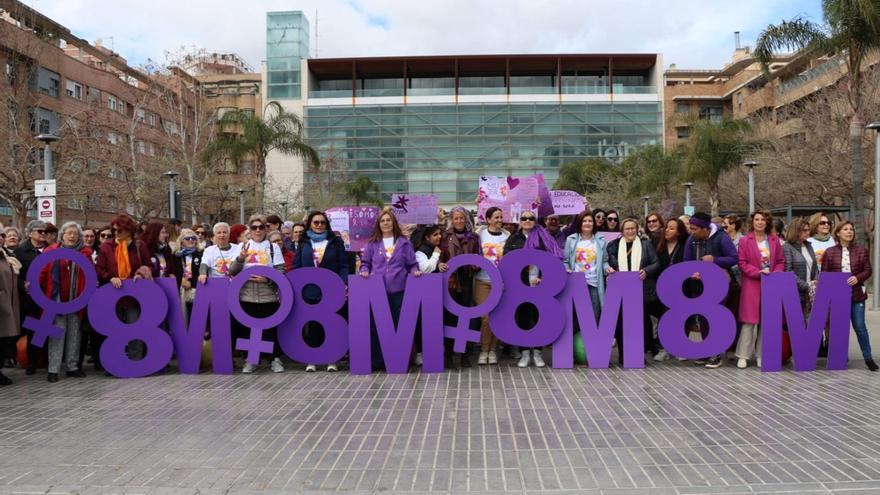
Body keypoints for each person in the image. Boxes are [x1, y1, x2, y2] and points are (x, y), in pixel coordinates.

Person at [359, 211, 421, 371]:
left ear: (393, 223)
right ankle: (379, 361)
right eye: (382, 221)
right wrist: (364, 270)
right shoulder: (372, 244)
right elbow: (365, 263)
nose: (386, 223)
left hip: (399, 291)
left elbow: (412, 264)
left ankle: (400, 359)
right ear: (379, 224)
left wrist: (415, 271)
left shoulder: (404, 243)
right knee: (376, 327)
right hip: (378, 292)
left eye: (388, 220)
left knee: (399, 325)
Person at [503, 210, 564, 368]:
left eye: (531, 218)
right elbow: (507, 258)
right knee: (523, 318)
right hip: (520, 285)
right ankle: (524, 353)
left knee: (539, 318)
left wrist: (544, 278)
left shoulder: (544, 238)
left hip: (540, 285)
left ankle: (537, 352)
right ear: (520, 221)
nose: (527, 220)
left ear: (535, 220)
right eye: (524, 218)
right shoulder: (514, 238)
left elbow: (551, 260)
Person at [229, 214, 287, 374]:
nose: (258, 230)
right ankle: (251, 360)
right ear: (250, 229)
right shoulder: (242, 247)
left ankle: (274, 359)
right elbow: (232, 271)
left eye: (261, 227)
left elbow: (281, 270)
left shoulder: (273, 248)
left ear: (266, 229)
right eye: (254, 227)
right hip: (246, 296)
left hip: (268, 296)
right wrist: (240, 258)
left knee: (270, 330)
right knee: (248, 330)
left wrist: (267, 279)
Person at [95, 213, 154, 366]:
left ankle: (135, 361)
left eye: (119, 231)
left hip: (134, 296)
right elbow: (99, 269)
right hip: (113, 294)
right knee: (115, 330)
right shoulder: (107, 247)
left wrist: (141, 274)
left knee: (135, 328)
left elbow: (149, 265)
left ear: (129, 230)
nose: (115, 234)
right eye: (113, 230)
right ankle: (115, 363)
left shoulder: (139, 246)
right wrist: (110, 278)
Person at [38, 222, 93, 382]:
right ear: (62, 235)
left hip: (77, 300)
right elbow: (41, 272)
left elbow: (90, 274)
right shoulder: (51, 251)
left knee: (75, 334)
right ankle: (53, 369)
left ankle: (72, 366)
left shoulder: (85, 253)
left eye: (75, 233)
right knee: (57, 333)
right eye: (69, 233)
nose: (72, 236)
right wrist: (32, 285)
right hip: (57, 300)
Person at [682, 212, 739, 368]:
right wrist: (692, 272)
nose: (691, 231)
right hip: (698, 285)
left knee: (715, 317)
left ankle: (716, 353)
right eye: (691, 228)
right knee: (703, 317)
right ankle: (707, 351)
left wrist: (715, 260)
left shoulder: (721, 237)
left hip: (718, 284)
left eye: (694, 228)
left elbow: (734, 258)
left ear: (705, 228)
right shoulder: (691, 240)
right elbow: (686, 260)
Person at [295, 211, 349, 372]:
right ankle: (312, 358)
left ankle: (332, 358)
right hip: (309, 291)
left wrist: (343, 282)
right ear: (309, 224)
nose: (319, 225)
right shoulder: (303, 242)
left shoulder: (335, 241)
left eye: (322, 223)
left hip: (331, 290)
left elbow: (343, 265)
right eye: (316, 222)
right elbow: (297, 266)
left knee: (332, 324)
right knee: (313, 325)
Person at [822, 221, 878, 371]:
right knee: (839, 327)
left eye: (851, 229)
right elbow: (825, 275)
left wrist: (857, 278)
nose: (849, 232)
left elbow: (868, 270)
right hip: (837, 297)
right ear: (838, 233)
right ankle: (840, 357)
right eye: (845, 229)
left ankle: (868, 358)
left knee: (860, 326)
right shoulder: (829, 252)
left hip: (857, 295)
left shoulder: (861, 250)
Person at [606, 218, 661, 365]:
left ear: (637, 229)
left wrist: (647, 271)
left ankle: (637, 354)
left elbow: (656, 263)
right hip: (621, 290)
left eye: (632, 228)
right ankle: (624, 355)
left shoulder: (645, 244)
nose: (630, 231)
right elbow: (608, 262)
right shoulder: (613, 246)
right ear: (622, 231)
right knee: (621, 325)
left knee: (639, 324)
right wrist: (610, 270)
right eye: (627, 229)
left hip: (640, 290)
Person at [736, 210, 784, 369]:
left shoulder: (774, 240)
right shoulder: (744, 241)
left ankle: (762, 355)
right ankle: (743, 355)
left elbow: (780, 261)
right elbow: (742, 263)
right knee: (749, 321)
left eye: (763, 219)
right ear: (752, 222)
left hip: (771, 283)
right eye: (757, 219)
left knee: (766, 321)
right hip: (752, 284)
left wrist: (775, 273)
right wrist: (758, 272)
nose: (760, 222)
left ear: (767, 222)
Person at [439, 207, 481, 369]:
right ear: (451, 220)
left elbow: (479, 257)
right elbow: (441, 257)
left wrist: (475, 266)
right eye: (456, 218)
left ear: (466, 219)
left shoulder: (474, 238)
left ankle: (464, 354)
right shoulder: (445, 236)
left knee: (466, 317)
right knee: (450, 317)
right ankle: (448, 355)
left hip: (466, 280)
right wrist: (440, 264)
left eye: (461, 218)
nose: (458, 221)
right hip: (450, 282)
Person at [474, 207, 509, 365]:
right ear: (488, 219)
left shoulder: (508, 236)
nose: (499, 220)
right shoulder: (480, 234)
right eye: (496, 217)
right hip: (482, 281)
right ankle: (484, 350)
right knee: (486, 318)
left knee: (497, 317)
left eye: (501, 217)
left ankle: (493, 350)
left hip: (501, 282)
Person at [651, 217, 688, 361]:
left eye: (672, 228)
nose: (667, 230)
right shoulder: (657, 245)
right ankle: (664, 347)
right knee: (663, 317)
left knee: (679, 318)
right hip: (661, 287)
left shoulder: (685, 246)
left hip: (680, 288)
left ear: (679, 232)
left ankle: (679, 347)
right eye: (666, 227)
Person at [14, 220, 47, 375]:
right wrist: (22, 285)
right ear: (30, 233)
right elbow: (14, 275)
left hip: (47, 298)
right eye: (40, 231)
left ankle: (43, 360)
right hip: (29, 300)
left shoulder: (49, 250)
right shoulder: (20, 251)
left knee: (44, 330)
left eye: (45, 232)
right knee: (32, 331)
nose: (43, 234)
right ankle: (31, 362)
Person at [412, 224, 447, 366]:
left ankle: (434, 350)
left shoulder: (437, 248)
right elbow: (425, 268)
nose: (438, 237)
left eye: (440, 234)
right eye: (435, 235)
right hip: (423, 293)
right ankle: (420, 353)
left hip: (436, 292)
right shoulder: (421, 250)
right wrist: (436, 256)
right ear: (427, 237)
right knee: (422, 322)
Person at [564, 210, 607, 325]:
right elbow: (565, 260)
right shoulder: (571, 239)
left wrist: (607, 268)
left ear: (594, 223)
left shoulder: (601, 240)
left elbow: (604, 261)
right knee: (577, 314)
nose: (587, 223)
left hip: (595, 282)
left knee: (595, 314)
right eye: (584, 221)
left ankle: (592, 341)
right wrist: (566, 268)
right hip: (577, 282)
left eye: (590, 221)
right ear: (580, 223)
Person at [783, 218, 818, 313]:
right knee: (799, 324)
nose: (808, 232)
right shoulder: (787, 247)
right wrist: (805, 285)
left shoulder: (808, 245)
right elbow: (788, 271)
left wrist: (815, 283)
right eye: (804, 230)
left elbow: (814, 267)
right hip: (795, 292)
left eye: (808, 230)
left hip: (811, 291)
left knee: (811, 322)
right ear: (796, 231)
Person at [0, 223, 20, 385]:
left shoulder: (7, 256)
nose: (1, 239)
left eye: (2, 236)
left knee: (5, 340)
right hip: (2, 304)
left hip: (9, 305)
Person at [174, 228, 203, 322]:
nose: (191, 240)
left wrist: (191, 282)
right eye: (187, 238)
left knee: (196, 319)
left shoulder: (201, 254)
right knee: (183, 319)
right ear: (181, 241)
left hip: (197, 289)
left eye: (193, 238)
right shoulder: (176, 256)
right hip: (181, 290)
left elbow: (204, 273)